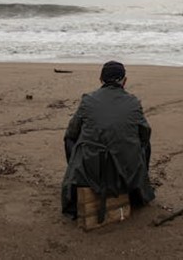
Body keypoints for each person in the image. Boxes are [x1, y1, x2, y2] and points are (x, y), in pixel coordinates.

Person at [60, 61, 155, 220]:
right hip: (126, 173)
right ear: (125, 81)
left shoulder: (88, 100)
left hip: (91, 172)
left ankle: (77, 182)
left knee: (69, 139)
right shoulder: (133, 102)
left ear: (100, 79)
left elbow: (72, 133)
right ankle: (137, 186)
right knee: (145, 144)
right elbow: (145, 136)